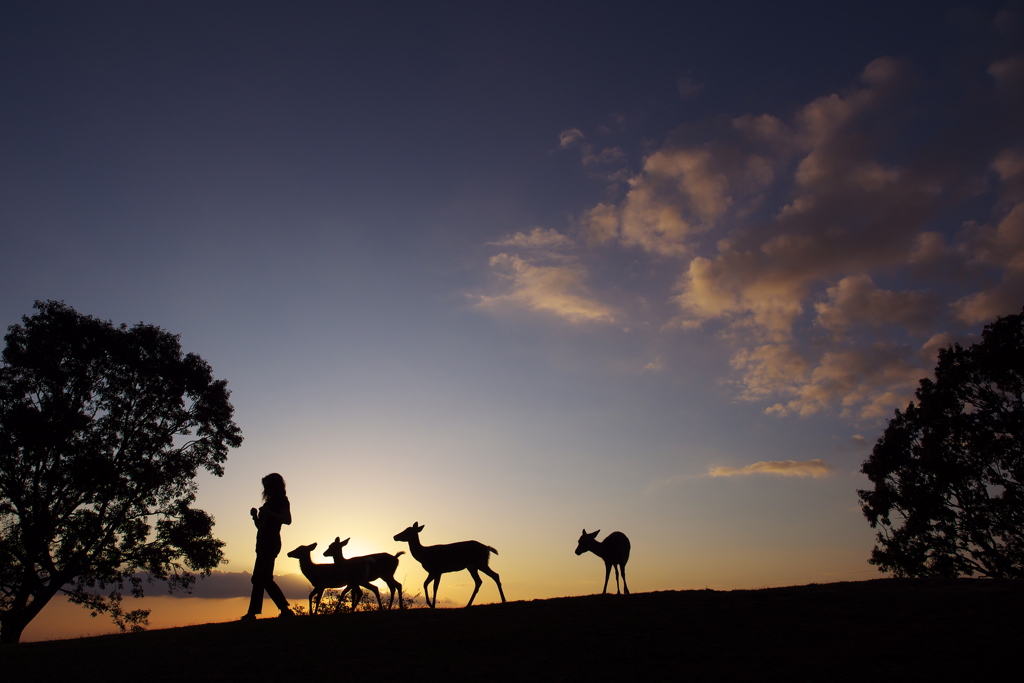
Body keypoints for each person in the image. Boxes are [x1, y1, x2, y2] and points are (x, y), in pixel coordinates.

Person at [241, 473, 294, 619]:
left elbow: (287, 520)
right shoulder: (270, 502)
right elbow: (261, 526)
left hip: (271, 541)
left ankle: (259, 612)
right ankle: (280, 610)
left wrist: (269, 513)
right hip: (263, 541)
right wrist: (255, 517)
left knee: (260, 578)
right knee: (261, 578)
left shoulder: (281, 501)